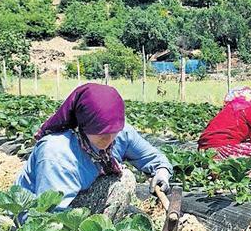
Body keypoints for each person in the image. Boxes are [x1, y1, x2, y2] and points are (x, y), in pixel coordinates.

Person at [15, 83, 172, 220]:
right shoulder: (57, 152)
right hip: (39, 218)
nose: (109, 138)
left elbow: (154, 159)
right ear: (83, 123)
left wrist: (162, 172)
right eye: (100, 131)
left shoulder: (122, 134)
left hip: (80, 204)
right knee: (122, 184)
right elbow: (46, 215)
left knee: (124, 181)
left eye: (114, 130)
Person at [198, 86, 251, 167]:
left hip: (204, 150)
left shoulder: (226, 109)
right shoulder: (248, 107)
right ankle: (247, 173)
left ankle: (212, 165)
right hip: (222, 148)